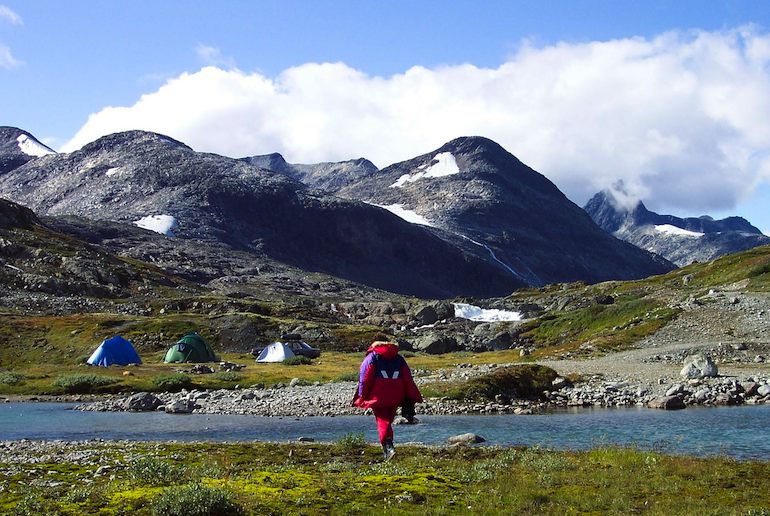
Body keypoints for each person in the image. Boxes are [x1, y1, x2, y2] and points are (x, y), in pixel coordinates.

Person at [352, 336, 422, 461]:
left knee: (382, 420)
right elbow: (408, 379)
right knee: (388, 420)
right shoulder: (399, 358)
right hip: (396, 394)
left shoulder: (372, 357)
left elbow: (365, 378)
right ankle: (388, 448)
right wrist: (411, 396)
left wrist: (362, 395)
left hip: (378, 395)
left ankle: (388, 448)